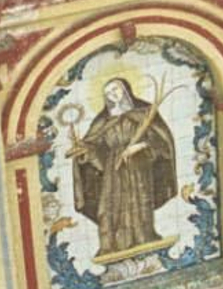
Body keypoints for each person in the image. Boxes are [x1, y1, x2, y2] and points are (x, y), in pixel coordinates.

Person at [69, 77, 176, 262]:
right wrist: (86, 152)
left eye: (116, 90)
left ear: (126, 90)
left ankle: (144, 238)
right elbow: (96, 149)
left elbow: (161, 141)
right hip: (113, 170)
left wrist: (140, 146)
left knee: (139, 199)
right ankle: (112, 245)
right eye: (108, 93)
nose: (113, 95)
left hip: (138, 165)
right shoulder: (102, 122)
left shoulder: (144, 113)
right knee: (109, 205)